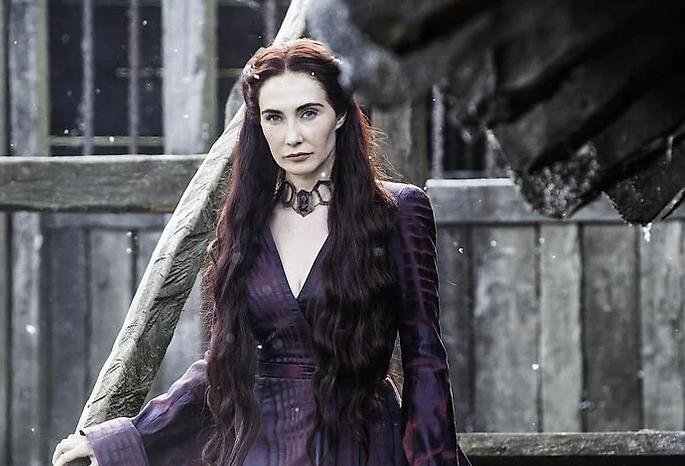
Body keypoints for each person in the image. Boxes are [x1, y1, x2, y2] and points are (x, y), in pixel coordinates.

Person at [53, 38, 470, 466]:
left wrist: (432, 460)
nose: (292, 137)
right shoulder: (245, 222)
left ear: (341, 113)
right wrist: (123, 439)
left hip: (362, 446)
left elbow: (424, 357)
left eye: (309, 113)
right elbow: (221, 365)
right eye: (274, 117)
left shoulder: (398, 210)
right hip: (264, 449)